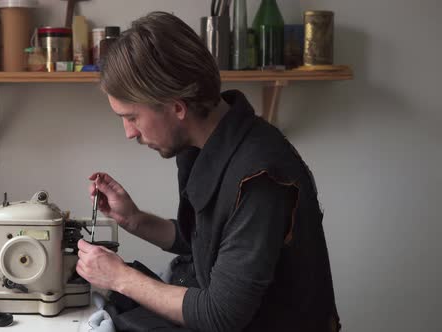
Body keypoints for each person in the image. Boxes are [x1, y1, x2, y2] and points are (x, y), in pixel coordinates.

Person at [75, 11, 340, 332]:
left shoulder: (259, 177)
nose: (129, 133)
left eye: (132, 117)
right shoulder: (206, 145)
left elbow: (222, 314)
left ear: (176, 106)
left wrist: (118, 277)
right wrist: (134, 219)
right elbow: (201, 243)